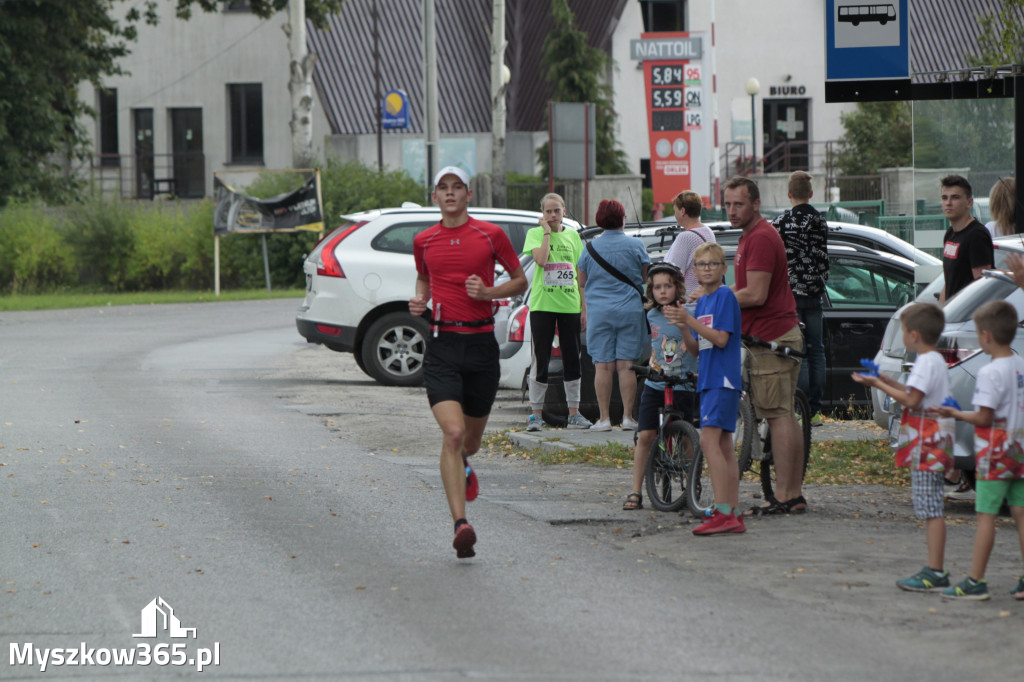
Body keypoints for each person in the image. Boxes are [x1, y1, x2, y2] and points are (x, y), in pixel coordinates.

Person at [409, 166, 527, 559]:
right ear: (434, 197)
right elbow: (424, 279)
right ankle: (460, 525)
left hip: (480, 348)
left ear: (468, 194)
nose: (449, 193)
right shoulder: (423, 240)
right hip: (442, 345)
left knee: (471, 444)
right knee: (453, 434)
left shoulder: (490, 235)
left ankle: (463, 465)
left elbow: (520, 281)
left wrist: (489, 290)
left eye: (456, 187)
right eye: (442, 188)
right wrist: (419, 300)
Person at [853, 303, 954, 592]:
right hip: (934, 442)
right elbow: (915, 393)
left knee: (930, 508)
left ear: (915, 335)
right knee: (930, 507)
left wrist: (878, 384)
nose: (903, 338)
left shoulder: (925, 362)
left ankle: (935, 570)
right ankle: (934, 568)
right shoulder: (933, 359)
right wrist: (885, 379)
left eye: (905, 332)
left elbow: (911, 401)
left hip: (927, 443)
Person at [931, 301, 1024, 601]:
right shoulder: (1020, 362)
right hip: (1019, 450)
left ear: (985, 336)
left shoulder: (989, 372)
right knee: (1021, 514)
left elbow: (983, 418)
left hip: (994, 454)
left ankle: (976, 580)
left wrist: (955, 414)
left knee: (986, 517)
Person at [724, 177, 805, 516]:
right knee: (784, 414)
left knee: (779, 416)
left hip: (771, 339)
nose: (731, 210)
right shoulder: (750, 236)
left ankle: (787, 495)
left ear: (755, 204)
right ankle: (792, 493)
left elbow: (755, 294)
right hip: (772, 336)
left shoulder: (759, 237)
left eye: (738, 204)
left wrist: (718, 298)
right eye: (727, 204)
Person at [668, 242, 744, 535]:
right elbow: (697, 349)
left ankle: (724, 512)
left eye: (713, 264)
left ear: (724, 269)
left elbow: (722, 339)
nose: (707, 269)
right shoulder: (702, 302)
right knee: (723, 445)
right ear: (694, 271)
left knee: (709, 442)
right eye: (701, 265)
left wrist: (689, 320)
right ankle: (732, 511)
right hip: (708, 377)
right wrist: (685, 326)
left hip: (722, 379)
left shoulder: (724, 295)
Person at [623, 262, 698, 510]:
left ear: (677, 287)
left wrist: (684, 326)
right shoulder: (651, 314)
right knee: (646, 435)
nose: (663, 291)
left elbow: (695, 350)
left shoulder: (687, 312)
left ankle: (691, 486)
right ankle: (635, 491)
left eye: (668, 286)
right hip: (656, 383)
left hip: (683, 384)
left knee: (686, 436)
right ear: (650, 291)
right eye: (657, 287)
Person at [577, 199, 650, 432]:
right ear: (622, 219)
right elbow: (645, 277)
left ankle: (604, 419)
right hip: (630, 311)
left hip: (599, 313)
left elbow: (581, 281)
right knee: (627, 365)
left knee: (603, 366)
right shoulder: (636, 245)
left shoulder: (589, 248)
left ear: (599, 219)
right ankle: (628, 418)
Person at [522, 193, 591, 432]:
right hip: (543, 305)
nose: (552, 215)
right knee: (540, 358)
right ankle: (535, 415)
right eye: (548, 211)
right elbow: (541, 260)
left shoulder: (573, 236)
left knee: (573, 358)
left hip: (569, 305)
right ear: (542, 213)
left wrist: (584, 307)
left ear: (564, 211)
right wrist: (547, 232)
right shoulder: (535, 234)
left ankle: (574, 413)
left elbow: (579, 274)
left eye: (557, 211)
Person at [771, 171, 828, 425]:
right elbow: (823, 259)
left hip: (789, 295)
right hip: (814, 294)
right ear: (811, 194)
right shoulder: (819, 220)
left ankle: (798, 408)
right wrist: (818, 282)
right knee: (817, 351)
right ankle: (814, 410)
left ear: (789, 193)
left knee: (797, 351)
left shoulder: (780, 222)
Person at [938, 174, 993, 304]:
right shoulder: (950, 234)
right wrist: (941, 313)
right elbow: (949, 281)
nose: (948, 203)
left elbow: (981, 285)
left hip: (968, 317)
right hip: (952, 315)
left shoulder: (976, 235)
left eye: (955, 197)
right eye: (944, 198)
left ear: (969, 202)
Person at [664, 189, 717, 295]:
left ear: (682, 211)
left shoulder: (686, 237)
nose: (675, 215)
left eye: (675, 210)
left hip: (689, 301)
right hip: (705, 297)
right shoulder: (708, 232)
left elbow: (672, 272)